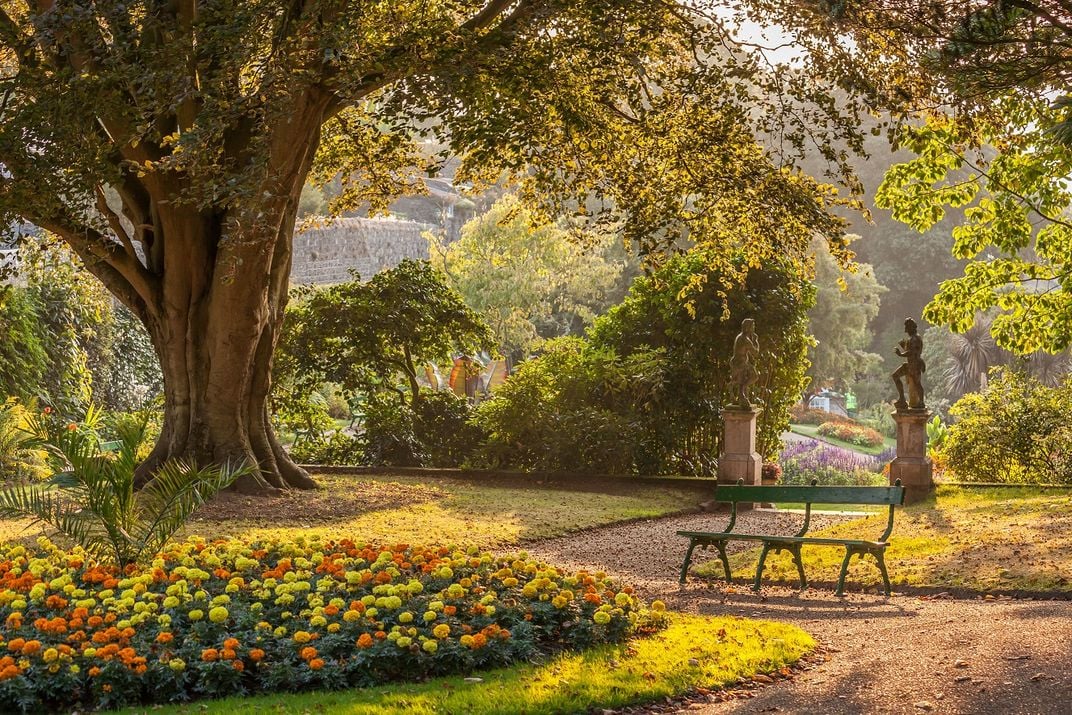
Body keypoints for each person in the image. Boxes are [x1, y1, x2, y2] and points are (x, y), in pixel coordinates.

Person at [892, 317, 926, 409]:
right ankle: (902, 399)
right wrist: (903, 345)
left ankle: (921, 402)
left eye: (907, 327)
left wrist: (900, 354)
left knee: (917, 383)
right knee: (895, 376)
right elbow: (910, 350)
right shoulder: (911, 338)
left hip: (915, 365)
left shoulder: (915, 338)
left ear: (911, 327)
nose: (905, 330)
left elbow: (912, 353)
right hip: (909, 364)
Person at [729, 318, 760, 408]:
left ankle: (740, 392)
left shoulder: (741, 337)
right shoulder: (745, 339)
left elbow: (747, 352)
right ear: (748, 328)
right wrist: (755, 341)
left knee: (751, 377)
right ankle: (741, 393)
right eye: (752, 327)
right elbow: (756, 353)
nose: (753, 328)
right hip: (739, 363)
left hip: (740, 362)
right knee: (753, 376)